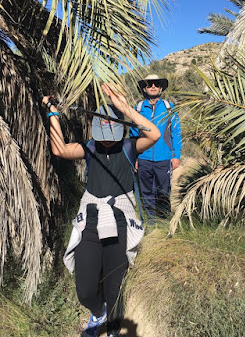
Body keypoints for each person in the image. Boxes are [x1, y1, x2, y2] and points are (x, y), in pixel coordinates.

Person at [42, 83, 160, 337]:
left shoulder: (129, 147)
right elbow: (60, 149)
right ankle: (98, 313)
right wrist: (52, 113)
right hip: (92, 222)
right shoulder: (91, 147)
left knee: (115, 285)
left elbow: (154, 135)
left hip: (120, 223)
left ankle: (114, 329)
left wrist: (123, 107)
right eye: (103, 136)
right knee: (84, 289)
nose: (107, 142)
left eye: (111, 136)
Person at [129, 74, 182, 221]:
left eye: (156, 84)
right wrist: (134, 158)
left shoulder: (169, 107)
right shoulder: (138, 108)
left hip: (164, 158)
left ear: (161, 88)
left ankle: (164, 220)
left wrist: (176, 155)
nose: (153, 86)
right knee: (146, 192)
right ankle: (151, 222)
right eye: (149, 84)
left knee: (163, 192)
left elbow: (176, 133)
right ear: (144, 88)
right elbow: (133, 135)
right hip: (143, 158)